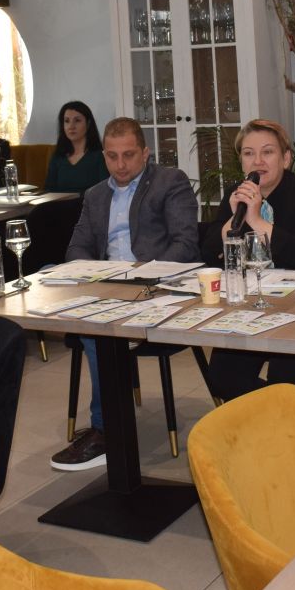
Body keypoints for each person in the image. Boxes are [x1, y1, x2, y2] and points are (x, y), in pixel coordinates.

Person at [50, 117, 199, 471]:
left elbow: (185, 245)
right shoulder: (95, 195)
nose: (120, 165)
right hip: (108, 288)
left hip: (157, 288)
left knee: (94, 331)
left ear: (145, 153)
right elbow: (76, 250)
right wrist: (99, 278)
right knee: (60, 286)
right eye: (112, 156)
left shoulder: (170, 182)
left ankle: (106, 430)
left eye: (129, 155)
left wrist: (142, 276)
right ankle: (109, 415)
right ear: (104, 155)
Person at [202, 119, 295, 401]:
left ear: (285, 159)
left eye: (267, 152)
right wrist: (233, 220)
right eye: (249, 153)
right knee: (222, 377)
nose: (257, 161)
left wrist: (258, 221)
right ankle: (276, 411)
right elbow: (208, 255)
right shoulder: (235, 195)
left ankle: (289, 412)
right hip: (250, 305)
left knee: (288, 380)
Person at [44, 101, 109, 193]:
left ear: (88, 123)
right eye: (67, 121)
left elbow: (105, 191)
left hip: (89, 202)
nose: (71, 126)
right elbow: (48, 190)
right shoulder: (58, 156)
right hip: (59, 202)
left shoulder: (100, 156)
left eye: (77, 120)